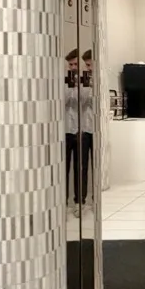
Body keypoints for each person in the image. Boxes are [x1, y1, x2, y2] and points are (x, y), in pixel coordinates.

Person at [76, 49, 95, 214]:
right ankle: (80, 202)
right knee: (82, 166)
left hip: (97, 130)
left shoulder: (102, 78)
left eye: (89, 64)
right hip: (85, 129)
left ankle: (96, 201)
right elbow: (80, 101)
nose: (88, 68)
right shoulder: (83, 80)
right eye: (86, 65)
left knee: (97, 166)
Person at [64, 49, 82, 209]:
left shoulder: (85, 81)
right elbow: (63, 101)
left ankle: (78, 202)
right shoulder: (65, 81)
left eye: (76, 64)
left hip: (81, 130)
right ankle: (63, 203)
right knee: (64, 168)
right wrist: (70, 84)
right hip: (66, 130)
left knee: (79, 168)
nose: (73, 67)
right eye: (70, 64)